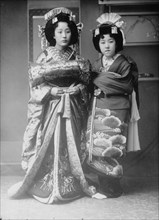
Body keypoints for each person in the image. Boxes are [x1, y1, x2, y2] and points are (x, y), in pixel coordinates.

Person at [7, 7, 106, 204]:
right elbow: (36, 84)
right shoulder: (44, 57)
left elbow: (86, 83)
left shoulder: (77, 58)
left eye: (67, 31)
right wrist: (51, 91)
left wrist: (78, 89)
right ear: (52, 34)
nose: (64, 35)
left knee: (71, 142)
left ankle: (71, 178)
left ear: (73, 32)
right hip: (51, 106)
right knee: (49, 141)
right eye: (59, 31)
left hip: (73, 105)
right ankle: (47, 180)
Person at [84, 12, 140, 198]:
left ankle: (113, 186)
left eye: (110, 41)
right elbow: (89, 83)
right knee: (98, 148)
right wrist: (96, 82)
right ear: (97, 44)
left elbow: (125, 84)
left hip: (116, 109)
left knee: (112, 146)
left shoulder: (125, 63)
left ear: (117, 42)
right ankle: (103, 184)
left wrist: (97, 79)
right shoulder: (97, 62)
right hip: (98, 107)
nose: (106, 45)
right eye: (102, 41)